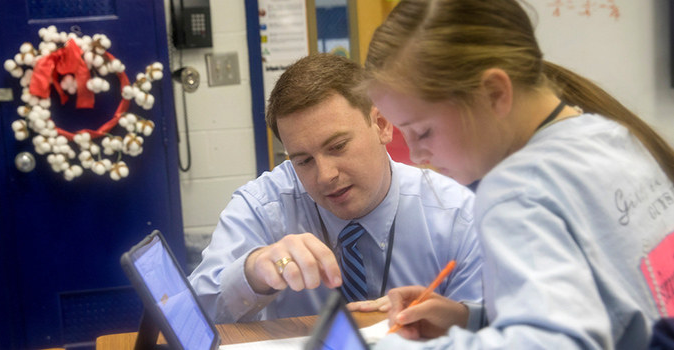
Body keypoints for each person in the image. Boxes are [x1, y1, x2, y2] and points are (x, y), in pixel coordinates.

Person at [363, 0, 674, 349]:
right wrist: (472, 319)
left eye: (422, 131)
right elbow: (610, 305)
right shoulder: (613, 136)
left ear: (494, 93)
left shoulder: (516, 190)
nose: (418, 156)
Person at [187, 53, 483, 324]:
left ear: (381, 125)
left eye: (338, 146)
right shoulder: (264, 206)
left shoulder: (457, 216)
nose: (325, 176)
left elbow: (491, 332)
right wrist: (253, 272)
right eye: (303, 160)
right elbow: (190, 317)